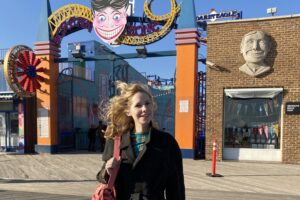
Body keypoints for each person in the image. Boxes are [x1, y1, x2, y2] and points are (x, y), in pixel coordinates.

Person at [97, 81, 185, 199]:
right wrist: (107, 170)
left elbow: (176, 187)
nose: (144, 108)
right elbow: (101, 176)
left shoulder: (167, 143)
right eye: (138, 105)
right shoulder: (116, 140)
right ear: (128, 111)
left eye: (147, 103)